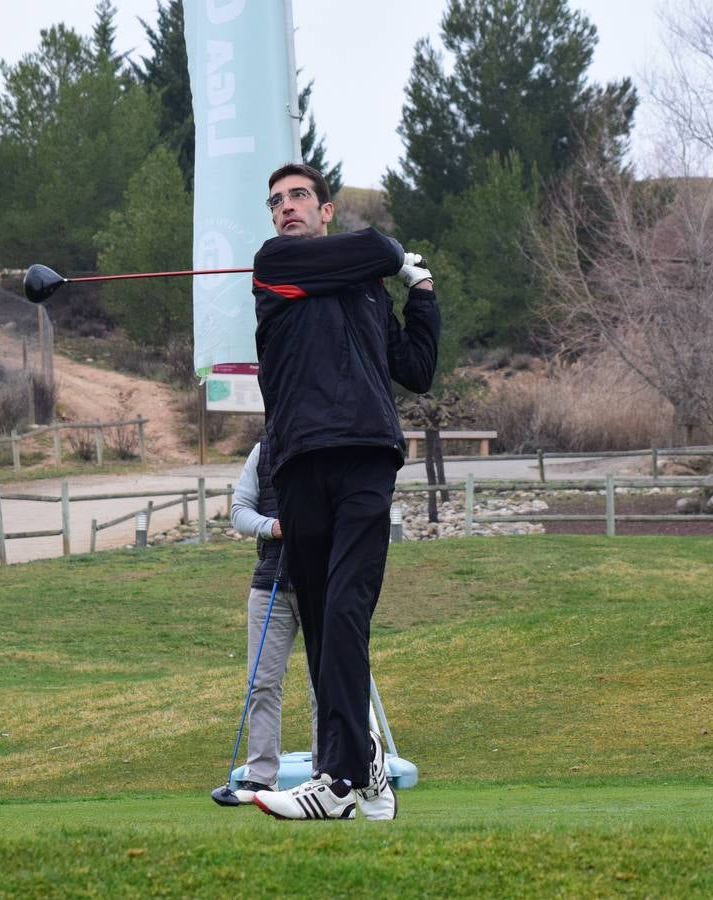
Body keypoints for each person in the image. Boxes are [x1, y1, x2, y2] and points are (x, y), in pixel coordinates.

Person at [249, 162, 439, 821]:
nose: (287, 208)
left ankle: (339, 778)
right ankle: (369, 777)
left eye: (300, 196)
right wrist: (391, 258)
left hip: (364, 457)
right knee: (327, 624)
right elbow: (379, 248)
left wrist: (423, 294)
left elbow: (415, 368)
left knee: (347, 611)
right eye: (277, 201)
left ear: (324, 210)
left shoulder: (364, 293)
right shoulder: (273, 267)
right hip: (299, 464)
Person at [217, 436, 316, 804]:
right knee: (261, 682)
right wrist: (274, 527)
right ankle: (260, 778)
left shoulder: (328, 445)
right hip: (269, 581)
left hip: (319, 584)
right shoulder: (263, 451)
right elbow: (239, 511)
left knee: (323, 683)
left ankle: (327, 773)